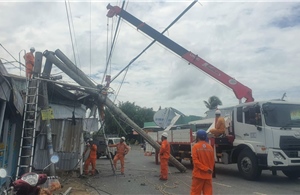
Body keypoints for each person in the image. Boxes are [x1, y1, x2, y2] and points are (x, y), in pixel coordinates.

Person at [190, 130, 215, 195]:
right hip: (208, 175)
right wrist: (209, 170)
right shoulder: (210, 147)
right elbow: (212, 161)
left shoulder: (195, 147)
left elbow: (196, 162)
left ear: (198, 137)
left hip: (198, 175)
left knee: (195, 192)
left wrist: (205, 169)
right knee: (208, 193)